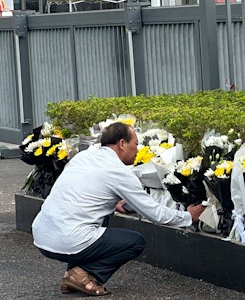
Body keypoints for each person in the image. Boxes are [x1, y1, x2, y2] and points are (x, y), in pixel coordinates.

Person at [32, 122, 205, 296]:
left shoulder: (83, 156)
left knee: (103, 218)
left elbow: (79, 190)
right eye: (135, 144)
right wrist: (187, 217)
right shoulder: (118, 171)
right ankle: (81, 275)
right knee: (135, 242)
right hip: (68, 241)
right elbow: (154, 213)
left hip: (42, 237)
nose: (137, 149)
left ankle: (73, 276)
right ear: (122, 144)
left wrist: (112, 202)